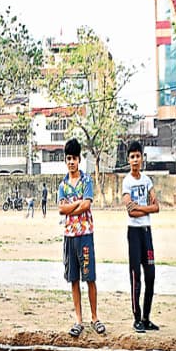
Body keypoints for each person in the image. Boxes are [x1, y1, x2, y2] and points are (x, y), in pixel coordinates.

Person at [58, 138, 104, 338]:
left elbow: (86, 205)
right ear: (65, 160)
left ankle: (95, 317)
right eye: (68, 158)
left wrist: (72, 208)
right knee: (74, 279)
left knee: (90, 278)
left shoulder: (86, 181)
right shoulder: (63, 185)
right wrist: (77, 205)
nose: (71, 162)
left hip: (85, 234)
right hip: (69, 236)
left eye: (74, 158)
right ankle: (79, 320)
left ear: (79, 160)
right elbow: (61, 209)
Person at [122, 141, 160, 333]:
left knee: (150, 275)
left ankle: (146, 317)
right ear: (128, 160)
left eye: (138, 156)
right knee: (135, 276)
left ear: (142, 158)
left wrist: (140, 208)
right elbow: (130, 211)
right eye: (132, 157)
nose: (135, 160)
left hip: (146, 232)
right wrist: (146, 208)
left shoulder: (147, 181)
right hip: (134, 233)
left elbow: (157, 207)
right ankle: (136, 318)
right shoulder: (127, 182)